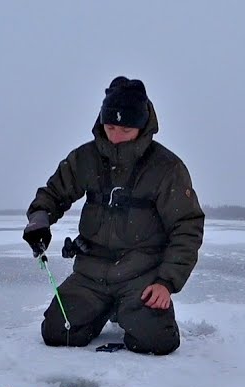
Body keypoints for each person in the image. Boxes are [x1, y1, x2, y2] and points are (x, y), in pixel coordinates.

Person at [22, 76, 204, 356]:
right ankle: (103, 307)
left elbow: (186, 227)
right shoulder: (85, 158)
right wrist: (39, 219)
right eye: (110, 127)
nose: (116, 136)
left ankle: (128, 311)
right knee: (58, 332)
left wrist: (166, 282)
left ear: (142, 125)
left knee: (157, 342)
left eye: (126, 129)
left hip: (140, 276)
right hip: (90, 273)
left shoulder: (166, 168)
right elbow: (53, 194)